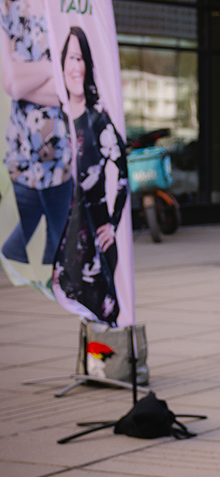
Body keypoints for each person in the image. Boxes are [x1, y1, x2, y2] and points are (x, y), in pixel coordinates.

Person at [0, 0, 73, 267]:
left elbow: (70, 86)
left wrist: (30, 73)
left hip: (62, 153)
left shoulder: (64, 8)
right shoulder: (7, 7)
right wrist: (50, 67)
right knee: (20, 246)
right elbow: (10, 83)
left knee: (57, 248)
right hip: (22, 153)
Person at [53, 27, 129, 324]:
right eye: (71, 58)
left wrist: (111, 222)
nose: (76, 66)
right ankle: (93, 363)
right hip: (63, 235)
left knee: (104, 312)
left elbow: (121, 172)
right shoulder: (55, 117)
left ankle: (106, 362)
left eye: (81, 58)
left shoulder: (97, 118)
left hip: (96, 240)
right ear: (62, 64)